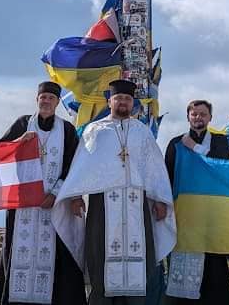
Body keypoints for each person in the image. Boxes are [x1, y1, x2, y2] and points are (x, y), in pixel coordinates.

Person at [51, 79, 176, 304]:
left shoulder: (142, 132)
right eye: (118, 98)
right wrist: (76, 195)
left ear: (132, 103)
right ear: (110, 101)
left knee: (141, 257)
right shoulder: (95, 131)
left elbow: (154, 169)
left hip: (137, 203)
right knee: (101, 256)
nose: (123, 103)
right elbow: (82, 167)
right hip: (103, 204)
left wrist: (159, 199)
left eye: (127, 99)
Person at [0, 81, 86, 304]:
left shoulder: (66, 129)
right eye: (43, 97)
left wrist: (54, 193)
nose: (46, 101)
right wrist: (18, 142)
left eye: (51, 98)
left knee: (57, 255)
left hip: (53, 203)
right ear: (37, 100)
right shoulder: (23, 123)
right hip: (23, 205)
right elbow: (0, 153)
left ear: (57, 103)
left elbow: (72, 164)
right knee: (17, 253)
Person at [163, 100, 229, 304]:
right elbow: (166, 176)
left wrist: (194, 147)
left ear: (210, 117)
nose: (198, 118)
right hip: (184, 213)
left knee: (213, 262)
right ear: (188, 117)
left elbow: (218, 166)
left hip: (211, 212)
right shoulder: (175, 143)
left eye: (203, 114)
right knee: (182, 259)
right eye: (194, 114)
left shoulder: (220, 141)